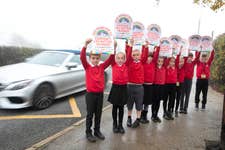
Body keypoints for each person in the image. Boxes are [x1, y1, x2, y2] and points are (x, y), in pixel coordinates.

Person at [80, 38, 115, 142]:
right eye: (93, 58)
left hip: (100, 94)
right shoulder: (87, 67)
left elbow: (110, 59)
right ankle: (88, 132)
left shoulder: (101, 67)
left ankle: (97, 131)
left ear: (99, 59)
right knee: (90, 114)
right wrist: (85, 45)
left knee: (98, 114)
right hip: (90, 95)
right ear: (90, 58)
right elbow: (82, 58)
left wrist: (114, 47)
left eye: (97, 58)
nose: (95, 60)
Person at [108, 41, 131, 134]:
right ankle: (115, 124)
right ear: (115, 59)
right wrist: (113, 47)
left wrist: (130, 45)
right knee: (115, 107)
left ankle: (120, 125)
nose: (120, 60)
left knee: (121, 108)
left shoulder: (126, 65)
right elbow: (111, 57)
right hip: (115, 88)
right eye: (118, 58)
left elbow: (129, 55)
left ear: (124, 59)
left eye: (122, 58)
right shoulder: (113, 64)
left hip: (123, 88)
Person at [126, 40, 148, 128]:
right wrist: (130, 46)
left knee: (139, 104)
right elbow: (127, 57)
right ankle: (129, 118)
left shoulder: (142, 63)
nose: (135, 56)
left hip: (139, 87)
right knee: (129, 104)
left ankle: (138, 119)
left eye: (137, 55)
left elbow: (145, 55)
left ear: (140, 56)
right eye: (134, 55)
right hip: (130, 86)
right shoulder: (129, 63)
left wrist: (145, 47)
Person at [140, 46, 159, 123]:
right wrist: (145, 47)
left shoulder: (153, 64)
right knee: (141, 101)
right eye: (148, 57)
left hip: (150, 86)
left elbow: (156, 55)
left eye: (151, 57)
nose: (150, 58)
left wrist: (158, 47)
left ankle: (145, 116)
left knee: (147, 102)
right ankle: (140, 116)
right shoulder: (143, 63)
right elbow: (143, 55)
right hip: (143, 85)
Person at [152, 55, 166, 123]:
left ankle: (156, 115)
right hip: (155, 86)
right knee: (154, 101)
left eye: (162, 61)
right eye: (159, 61)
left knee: (158, 101)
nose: (160, 62)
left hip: (161, 86)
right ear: (157, 61)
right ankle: (153, 115)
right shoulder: (155, 67)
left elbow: (167, 58)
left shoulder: (164, 67)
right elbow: (154, 58)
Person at [163, 56, 178, 120]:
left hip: (173, 85)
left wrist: (180, 50)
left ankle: (169, 112)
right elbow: (166, 59)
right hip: (166, 85)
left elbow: (178, 58)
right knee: (165, 99)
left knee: (171, 99)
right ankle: (164, 112)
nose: (172, 63)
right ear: (168, 62)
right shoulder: (166, 67)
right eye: (171, 61)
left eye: (173, 62)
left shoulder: (175, 68)